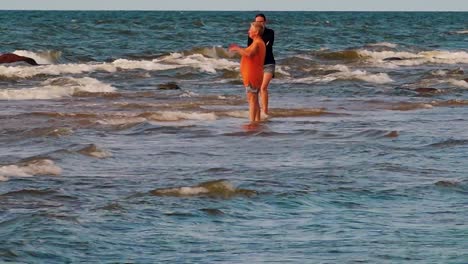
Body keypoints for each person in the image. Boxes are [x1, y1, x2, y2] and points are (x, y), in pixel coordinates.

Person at [229, 22, 266, 123]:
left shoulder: (258, 42)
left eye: (250, 29)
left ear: (256, 32)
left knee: (252, 100)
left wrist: (237, 48)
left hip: (252, 75)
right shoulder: (257, 42)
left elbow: (249, 54)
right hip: (254, 74)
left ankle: (252, 123)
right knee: (254, 100)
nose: (248, 31)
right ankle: (257, 121)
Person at [247, 13, 275, 117]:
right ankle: (257, 113)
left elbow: (268, 45)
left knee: (263, 87)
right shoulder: (251, 34)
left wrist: (258, 45)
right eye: (257, 22)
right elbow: (250, 48)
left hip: (269, 63)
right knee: (256, 90)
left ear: (265, 22)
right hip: (257, 65)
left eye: (261, 21)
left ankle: (265, 112)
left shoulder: (270, 32)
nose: (259, 23)